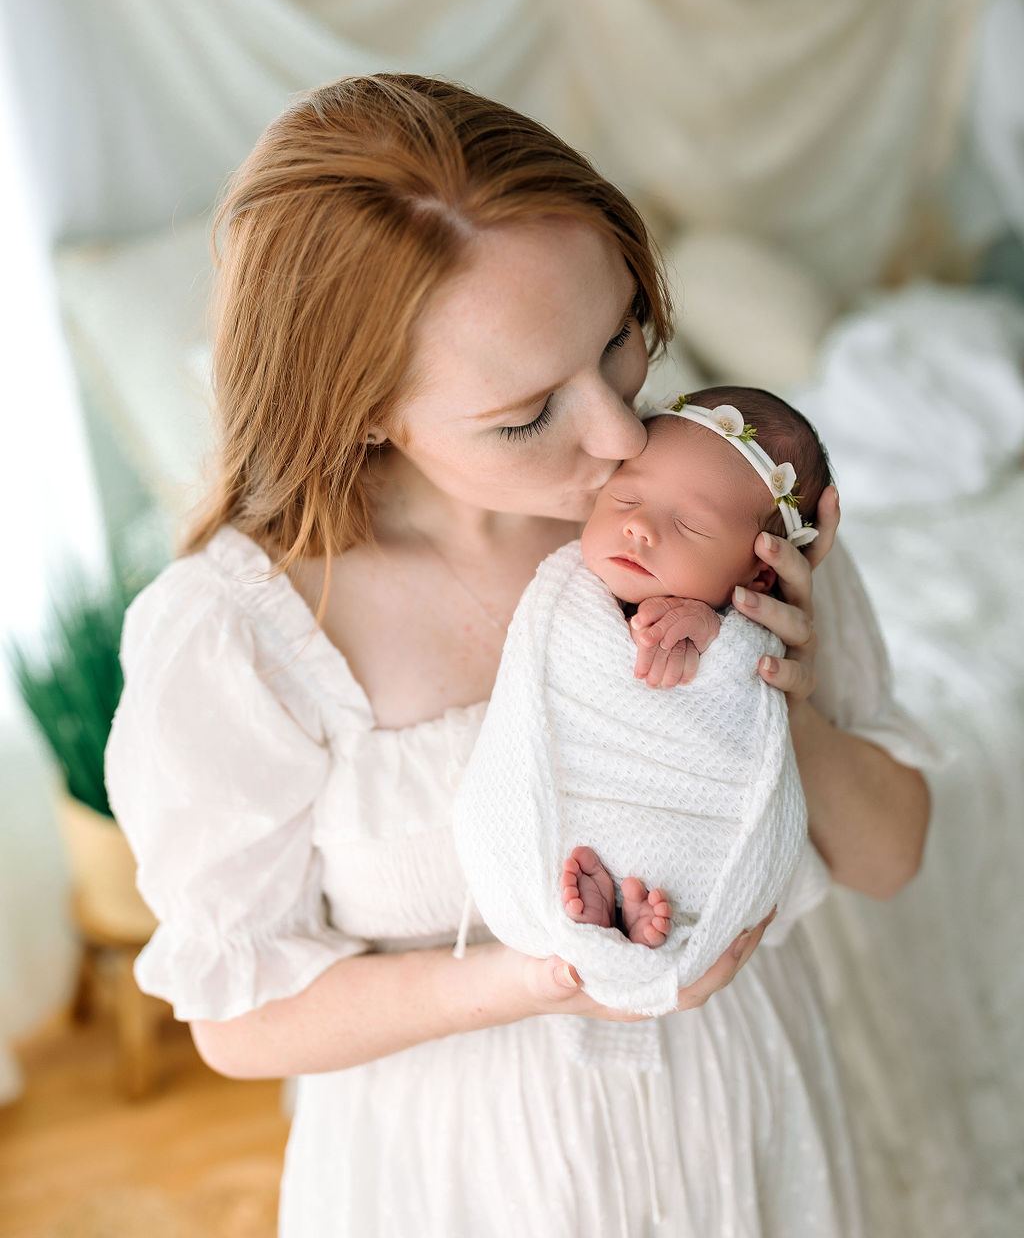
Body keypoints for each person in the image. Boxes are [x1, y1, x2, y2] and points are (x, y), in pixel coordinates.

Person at [105, 74, 937, 1237]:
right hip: (459, 1176)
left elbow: (890, 857)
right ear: (360, 411)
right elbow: (239, 1017)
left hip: (744, 1122)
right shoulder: (240, 635)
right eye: (524, 415)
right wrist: (552, 981)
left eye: (620, 341)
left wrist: (776, 704)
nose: (613, 437)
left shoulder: (714, 511)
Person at [453, 388, 831, 1016]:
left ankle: (634, 923)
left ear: (758, 574)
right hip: (563, 811)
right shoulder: (567, 595)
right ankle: (612, 928)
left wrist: (721, 636)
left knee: (666, 872)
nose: (638, 525)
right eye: (625, 498)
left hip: (680, 819)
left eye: (691, 525)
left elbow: (740, 688)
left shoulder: (750, 619)